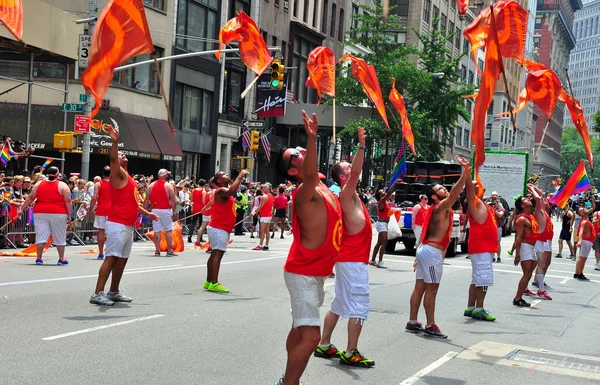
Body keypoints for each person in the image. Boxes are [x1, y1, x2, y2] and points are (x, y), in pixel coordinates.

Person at [274, 111, 342, 385]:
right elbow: (311, 175)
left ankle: (288, 377)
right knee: (312, 336)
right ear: (293, 171)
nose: (301, 150)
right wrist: (312, 138)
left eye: (302, 148)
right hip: (303, 272)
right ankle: (289, 383)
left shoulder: (325, 188)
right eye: (296, 152)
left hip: (316, 273)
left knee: (299, 329)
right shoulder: (304, 190)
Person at [315, 127, 375, 367]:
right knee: (359, 306)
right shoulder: (347, 193)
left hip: (348, 259)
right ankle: (351, 352)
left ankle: (324, 344)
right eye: (347, 168)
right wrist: (361, 145)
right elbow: (358, 171)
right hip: (352, 260)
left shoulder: (353, 195)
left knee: (339, 303)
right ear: (342, 177)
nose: (352, 169)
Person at [90, 128, 158, 306]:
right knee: (111, 257)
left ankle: (113, 291)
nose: (123, 154)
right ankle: (97, 293)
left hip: (127, 224)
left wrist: (147, 213)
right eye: (120, 154)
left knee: (122, 259)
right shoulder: (117, 174)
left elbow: (134, 203)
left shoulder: (129, 178)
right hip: (117, 224)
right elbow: (112, 158)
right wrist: (114, 142)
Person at [405, 156, 469, 338]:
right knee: (431, 290)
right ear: (434, 196)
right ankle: (430, 325)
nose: (444, 189)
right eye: (440, 189)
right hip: (431, 252)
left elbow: (425, 231)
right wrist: (464, 174)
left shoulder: (436, 209)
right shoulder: (440, 207)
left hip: (425, 249)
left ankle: (412, 321)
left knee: (420, 287)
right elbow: (456, 193)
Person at [461, 163, 497, 322]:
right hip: (481, 247)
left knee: (476, 279)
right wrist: (467, 174)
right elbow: (469, 189)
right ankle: (480, 309)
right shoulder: (473, 202)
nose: (479, 185)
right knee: (483, 279)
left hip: (484, 247)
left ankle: (470, 308)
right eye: (475, 185)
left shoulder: (483, 204)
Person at [204, 169, 249, 293]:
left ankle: (209, 281)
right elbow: (231, 191)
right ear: (219, 180)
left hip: (220, 228)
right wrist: (239, 176)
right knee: (217, 254)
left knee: (215, 254)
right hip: (219, 228)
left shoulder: (222, 191)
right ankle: (214, 282)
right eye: (224, 175)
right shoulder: (221, 191)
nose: (227, 175)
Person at [18, 166, 72, 265]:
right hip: (58, 213)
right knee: (59, 235)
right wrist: (69, 215)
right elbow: (68, 201)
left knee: (41, 235)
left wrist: (22, 208)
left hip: (40, 212)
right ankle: (61, 258)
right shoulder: (63, 186)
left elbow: (31, 197)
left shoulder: (39, 184)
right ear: (57, 174)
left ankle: (39, 258)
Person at [512, 195, 538, 307]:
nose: (528, 200)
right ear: (522, 205)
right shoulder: (521, 219)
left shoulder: (531, 216)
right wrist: (517, 255)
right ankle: (517, 298)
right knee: (527, 273)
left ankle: (520, 296)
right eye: (525, 200)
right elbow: (518, 237)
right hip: (525, 246)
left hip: (532, 247)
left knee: (529, 273)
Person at [145, 169, 178, 257]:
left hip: (155, 210)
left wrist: (145, 211)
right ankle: (169, 250)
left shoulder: (151, 185)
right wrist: (174, 211)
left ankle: (157, 250)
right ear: (165, 176)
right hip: (166, 210)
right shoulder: (168, 185)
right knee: (168, 230)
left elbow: (147, 199)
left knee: (157, 230)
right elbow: (173, 199)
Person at [528, 184, 553, 300]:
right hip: (537, 241)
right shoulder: (538, 210)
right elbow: (538, 198)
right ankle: (541, 290)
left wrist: (533, 187)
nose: (545, 200)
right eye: (543, 200)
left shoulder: (543, 210)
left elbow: (541, 195)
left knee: (534, 266)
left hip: (541, 241)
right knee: (541, 264)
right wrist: (532, 189)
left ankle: (529, 288)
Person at [87, 166, 112, 259]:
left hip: (101, 209)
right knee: (111, 232)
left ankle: (101, 253)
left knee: (101, 230)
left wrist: (90, 209)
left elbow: (94, 197)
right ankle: (109, 252)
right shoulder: (115, 183)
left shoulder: (98, 184)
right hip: (112, 210)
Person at [370, 186, 396, 268]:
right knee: (385, 242)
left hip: (384, 224)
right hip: (382, 224)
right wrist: (394, 183)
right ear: (380, 196)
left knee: (379, 242)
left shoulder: (385, 202)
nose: (384, 192)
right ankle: (380, 261)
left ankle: (373, 259)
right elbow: (389, 193)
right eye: (382, 192)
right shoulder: (381, 201)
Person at [574, 207, 595, 280]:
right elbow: (581, 232)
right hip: (586, 241)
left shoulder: (585, 220)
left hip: (587, 241)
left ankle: (577, 273)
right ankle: (580, 273)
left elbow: (593, 208)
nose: (586, 210)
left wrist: (592, 200)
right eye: (583, 210)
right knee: (583, 258)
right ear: (581, 213)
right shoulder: (584, 221)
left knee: (581, 258)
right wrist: (580, 241)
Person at [252, 183, 274, 251]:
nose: (263, 188)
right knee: (267, 230)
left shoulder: (264, 196)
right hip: (268, 215)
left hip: (264, 215)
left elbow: (261, 206)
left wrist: (253, 212)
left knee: (262, 230)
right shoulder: (271, 196)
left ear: (268, 189)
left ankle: (261, 245)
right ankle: (266, 245)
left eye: (264, 187)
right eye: (263, 187)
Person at [188, 179, 207, 244]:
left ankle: (189, 235)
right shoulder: (203, 191)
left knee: (193, 222)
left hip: (195, 208)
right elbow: (203, 201)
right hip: (201, 209)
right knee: (201, 223)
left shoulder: (194, 190)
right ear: (204, 184)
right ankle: (200, 237)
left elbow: (192, 199)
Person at [489, 191, 505, 263]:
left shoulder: (500, 208)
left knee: (497, 242)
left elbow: (500, 215)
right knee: (491, 242)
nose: (494, 204)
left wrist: (495, 209)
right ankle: (492, 256)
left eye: (495, 203)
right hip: (491, 227)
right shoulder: (489, 206)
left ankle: (498, 257)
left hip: (498, 227)